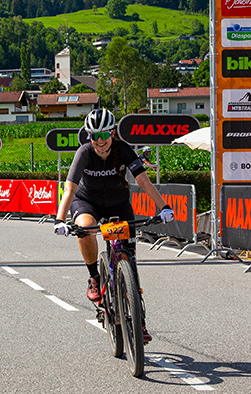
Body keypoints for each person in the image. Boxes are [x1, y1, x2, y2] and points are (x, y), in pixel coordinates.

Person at [53, 108, 176, 345]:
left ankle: (139, 321)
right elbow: (69, 189)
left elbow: (143, 180)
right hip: (87, 202)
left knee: (129, 260)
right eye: (94, 136)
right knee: (86, 229)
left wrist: (164, 207)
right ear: (88, 136)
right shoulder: (84, 153)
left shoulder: (124, 149)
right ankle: (94, 277)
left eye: (104, 135)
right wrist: (59, 220)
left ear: (112, 133)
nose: (99, 141)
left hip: (118, 204)